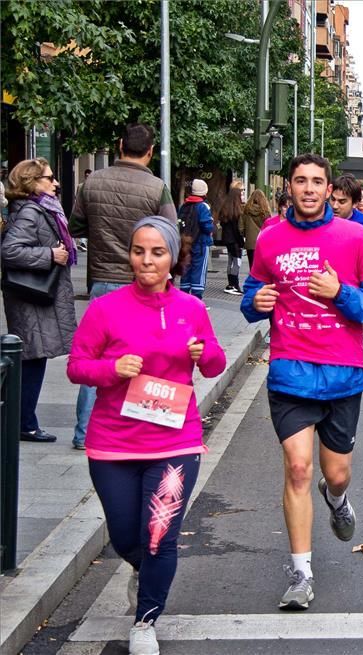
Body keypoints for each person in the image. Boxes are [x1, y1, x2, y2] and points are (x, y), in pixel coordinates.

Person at [240, 154, 363, 611]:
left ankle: (338, 498)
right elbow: (253, 294)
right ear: (287, 187)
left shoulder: (355, 237)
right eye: (300, 181)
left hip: (343, 375)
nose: (308, 189)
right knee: (297, 469)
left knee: (335, 472)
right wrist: (258, 300)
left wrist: (341, 294)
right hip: (290, 372)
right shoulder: (270, 238)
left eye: (317, 182)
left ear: (330, 190)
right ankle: (300, 574)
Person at [67, 216, 224, 655]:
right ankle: (147, 569)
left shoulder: (191, 309)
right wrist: (110, 370)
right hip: (113, 443)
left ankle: (145, 620)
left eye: (157, 252)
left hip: (175, 442)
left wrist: (204, 351)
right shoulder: (106, 308)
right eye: (139, 251)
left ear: (173, 256)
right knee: (125, 537)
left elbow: (213, 364)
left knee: (159, 534)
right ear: (130, 255)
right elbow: (77, 365)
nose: (147, 260)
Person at [68, 123, 178, 449]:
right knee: (149, 356)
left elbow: (75, 225)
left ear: (119, 146)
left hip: (102, 280)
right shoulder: (157, 188)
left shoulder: (92, 183)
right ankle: (139, 426)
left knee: (97, 360)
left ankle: (83, 432)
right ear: (150, 151)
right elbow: (169, 232)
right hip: (141, 286)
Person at [1, 158, 77, 444]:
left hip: (34, 295)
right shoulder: (31, 212)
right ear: (32, 183)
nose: (56, 183)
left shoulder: (39, 209)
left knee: (34, 356)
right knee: (32, 357)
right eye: (49, 178)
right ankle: (25, 423)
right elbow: (9, 251)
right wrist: (49, 255)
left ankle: (22, 420)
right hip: (29, 297)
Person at [176, 179, 214, 300]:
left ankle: (184, 296)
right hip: (201, 243)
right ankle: (197, 298)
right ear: (204, 192)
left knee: (186, 267)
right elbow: (207, 226)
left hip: (185, 243)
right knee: (199, 270)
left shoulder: (184, 206)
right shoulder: (203, 206)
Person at [217, 183, 245, 295]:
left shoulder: (225, 208)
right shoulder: (236, 211)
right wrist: (241, 241)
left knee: (230, 261)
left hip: (227, 239)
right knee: (237, 262)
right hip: (234, 240)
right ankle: (234, 284)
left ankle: (230, 283)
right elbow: (237, 230)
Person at [329, 174, 363, 238]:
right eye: (333, 199)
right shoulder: (321, 221)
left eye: (342, 202)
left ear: (355, 203)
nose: (335, 206)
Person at [242, 190, 272, 269]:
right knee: (261, 269)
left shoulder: (246, 211)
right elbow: (269, 229)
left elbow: (241, 228)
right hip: (262, 244)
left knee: (251, 267)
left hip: (250, 244)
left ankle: (252, 280)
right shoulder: (266, 213)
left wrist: (247, 235)